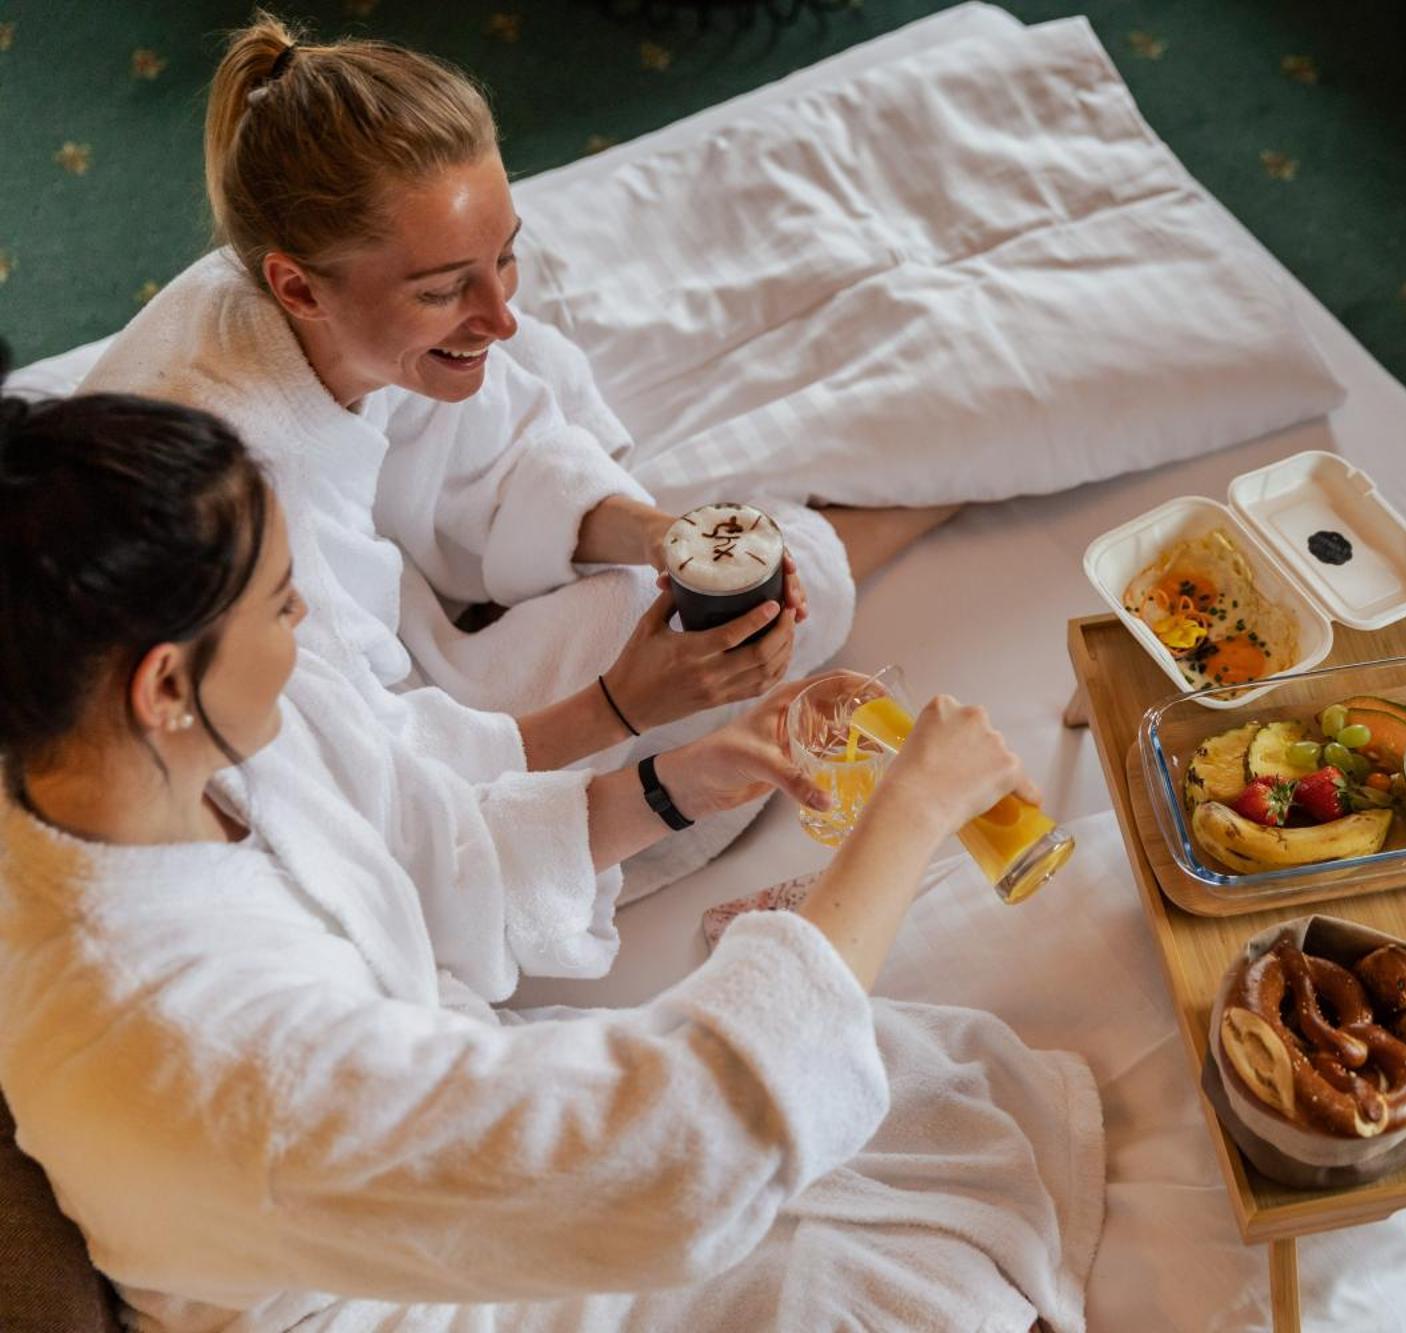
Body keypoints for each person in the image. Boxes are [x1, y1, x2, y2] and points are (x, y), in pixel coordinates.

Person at [0, 381, 1099, 1330]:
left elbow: (414, 836)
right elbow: (675, 1144)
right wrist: (906, 813)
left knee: (919, 1099)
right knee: (881, 1281)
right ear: (161, 686)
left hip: (409, 1129)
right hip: (380, 1294)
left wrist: (664, 786)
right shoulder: (203, 1052)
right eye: (286, 606)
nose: (309, 638)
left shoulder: (131, 756)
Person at [78, 13, 958, 898]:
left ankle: (865, 530)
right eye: (443, 288)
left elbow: (498, 458)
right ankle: (897, 519)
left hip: (375, 628)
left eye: (505, 258)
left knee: (679, 585)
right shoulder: (243, 512)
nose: (499, 313)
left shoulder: (296, 299)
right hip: (304, 755)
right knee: (688, 631)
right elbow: (384, 789)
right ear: (297, 286)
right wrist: (622, 706)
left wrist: (665, 538)